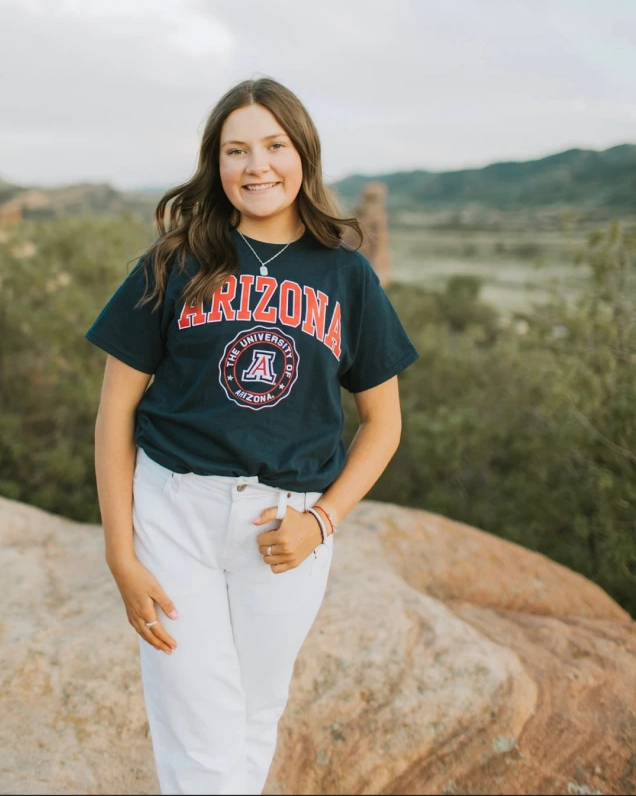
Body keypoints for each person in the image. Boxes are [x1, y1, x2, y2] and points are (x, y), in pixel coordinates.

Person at [84, 77, 419, 796]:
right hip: (175, 514)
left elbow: (384, 423)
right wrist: (120, 551)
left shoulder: (347, 276)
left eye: (274, 145)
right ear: (216, 164)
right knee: (199, 733)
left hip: (287, 527)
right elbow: (115, 413)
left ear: (304, 155)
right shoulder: (174, 262)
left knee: (253, 714)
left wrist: (322, 523)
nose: (257, 165)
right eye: (236, 150)